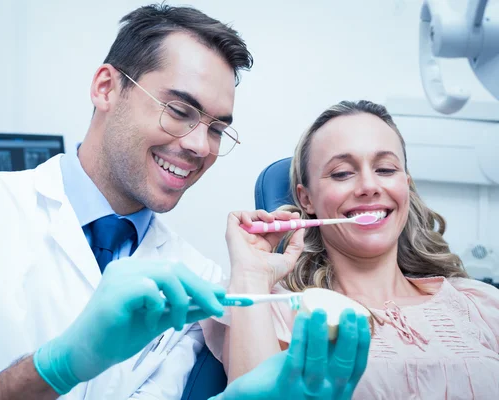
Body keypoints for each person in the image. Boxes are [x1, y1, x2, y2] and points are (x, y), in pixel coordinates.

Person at [0, 4, 253, 399]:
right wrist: (55, 367)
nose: (199, 146)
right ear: (106, 88)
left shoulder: (196, 280)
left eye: (217, 129)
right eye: (179, 110)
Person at [203, 100, 499, 399]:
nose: (369, 185)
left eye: (385, 169)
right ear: (306, 199)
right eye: (342, 173)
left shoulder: (483, 305)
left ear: (405, 186)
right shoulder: (276, 310)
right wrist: (251, 274)